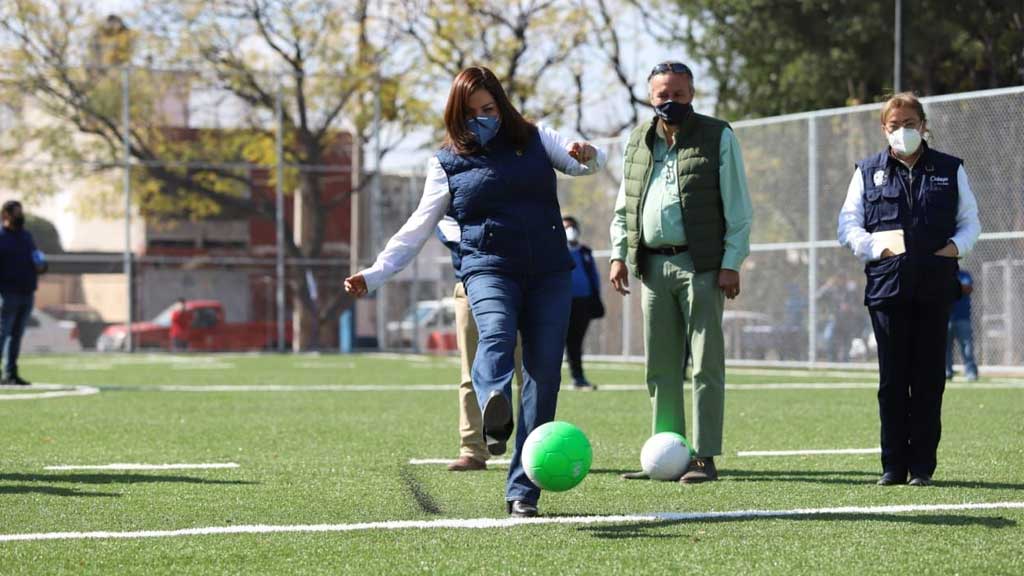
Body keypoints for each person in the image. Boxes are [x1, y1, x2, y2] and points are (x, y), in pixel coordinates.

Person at [344, 66, 606, 516]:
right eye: (470, 114)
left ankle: (523, 493)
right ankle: (492, 409)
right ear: (456, 117)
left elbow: (584, 164)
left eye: (489, 109)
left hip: (549, 273)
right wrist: (376, 273)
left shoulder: (536, 139)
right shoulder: (446, 163)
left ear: (501, 106)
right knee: (497, 334)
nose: (481, 119)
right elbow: (416, 228)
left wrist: (589, 153)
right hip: (488, 269)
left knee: (543, 381)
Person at [609, 61, 753, 484]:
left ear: (692, 94)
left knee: (706, 365)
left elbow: (739, 208)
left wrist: (731, 262)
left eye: (679, 94)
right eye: (662, 95)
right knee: (660, 366)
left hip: (702, 266)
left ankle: (705, 456)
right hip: (653, 267)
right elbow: (624, 206)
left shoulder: (717, 135)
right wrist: (619, 254)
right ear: (650, 97)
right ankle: (666, 455)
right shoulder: (637, 140)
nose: (670, 101)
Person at [838, 92, 981, 487]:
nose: (903, 131)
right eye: (894, 124)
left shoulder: (950, 169)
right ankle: (893, 466)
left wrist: (956, 248)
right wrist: (873, 247)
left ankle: (922, 468)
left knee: (930, 379)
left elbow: (970, 222)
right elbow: (848, 225)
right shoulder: (867, 171)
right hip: (887, 289)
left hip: (936, 288)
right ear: (883, 129)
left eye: (909, 123)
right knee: (892, 382)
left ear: (923, 125)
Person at [436, 217, 525, 472]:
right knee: (471, 372)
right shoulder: (448, 178)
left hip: (523, 285)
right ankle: (473, 450)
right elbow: (441, 223)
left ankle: (534, 446)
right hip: (469, 285)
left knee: (529, 373)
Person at [0, 200, 48, 385]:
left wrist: (42, 266)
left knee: (16, 335)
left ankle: (10, 373)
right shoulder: (1, 237)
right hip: (7, 293)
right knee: (2, 333)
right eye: (16, 213)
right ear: (6, 215)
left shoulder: (26, 236)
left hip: (27, 292)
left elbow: (36, 258)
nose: (20, 217)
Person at [562, 216, 602, 391]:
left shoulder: (585, 252)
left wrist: (596, 298)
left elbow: (594, 276)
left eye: (572, 226)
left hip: (583, 303)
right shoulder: (557, 250)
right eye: (566, 227)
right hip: (561, 302)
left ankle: (578, 377)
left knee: (576, 342)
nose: (570, 230)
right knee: (555, 341)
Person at [946, 269, 978, 382]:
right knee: (945, 347)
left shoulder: (964, 274)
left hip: (962, 317)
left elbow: (968, 288)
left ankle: (970, 372)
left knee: (967, 347)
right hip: (946, 317)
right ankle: (947, 372)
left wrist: (951, 286)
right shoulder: (943, 274)